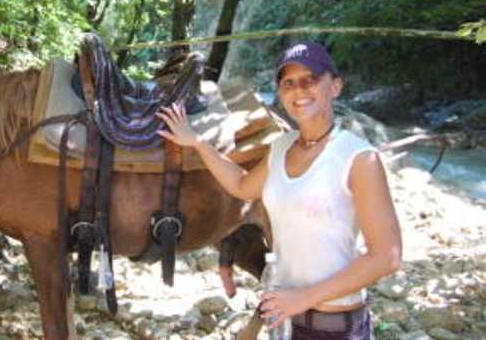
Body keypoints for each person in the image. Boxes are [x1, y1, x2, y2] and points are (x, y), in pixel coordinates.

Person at [156, 42, 402, 339]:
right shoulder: (282, 146)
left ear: (335, 86)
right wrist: (196, 142)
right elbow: (242, 186)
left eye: (310, 79)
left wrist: (303, 298)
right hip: (286, 321)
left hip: (336, 325)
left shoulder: (358, 158)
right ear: (281, 94)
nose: (299, 90)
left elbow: (386, 257)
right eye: (288, 83)